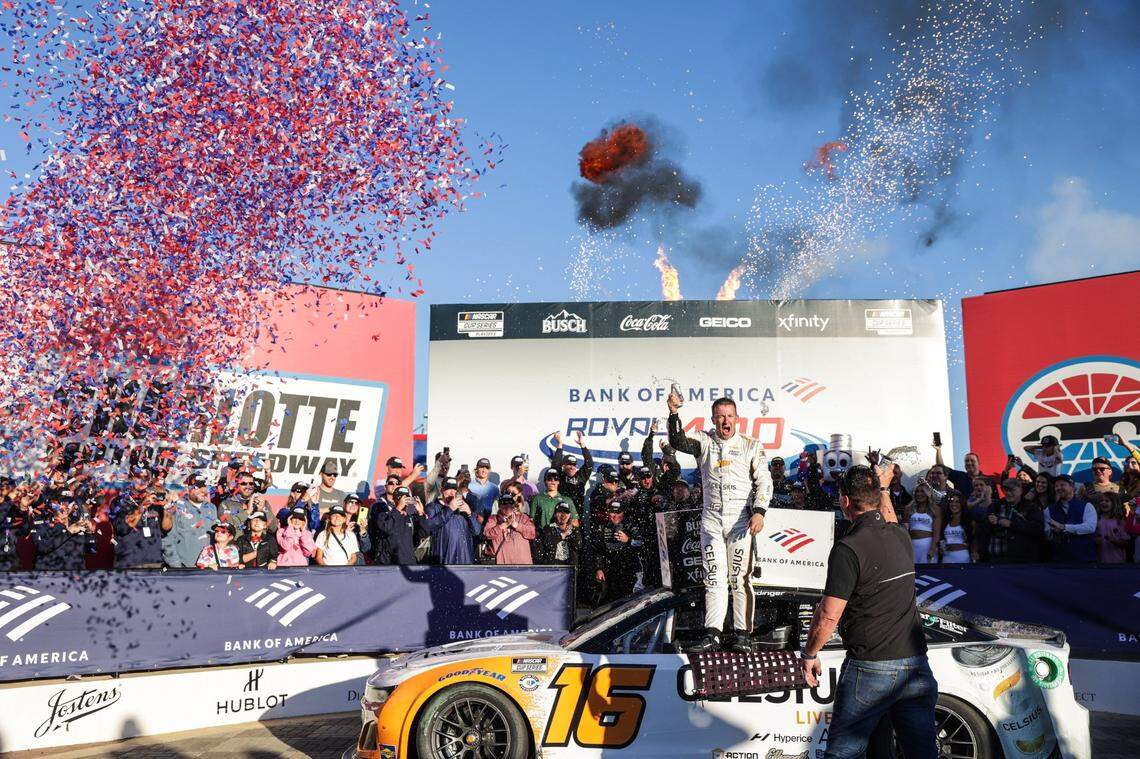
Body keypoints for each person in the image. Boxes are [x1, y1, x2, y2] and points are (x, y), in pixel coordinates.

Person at [800, 464, 936, 759]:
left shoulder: (848, 548)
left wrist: (810, 654)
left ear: (845, 501)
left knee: (843, 754)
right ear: (875, 497)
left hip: (871, 667)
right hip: (915, 665)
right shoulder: (899, 536)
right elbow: (888, 518)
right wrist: (884, 487)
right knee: (922, 754)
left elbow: (828, 616)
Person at [667, 393, 772, 653]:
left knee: (739, 579)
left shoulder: (751, 445)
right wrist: (673, 413)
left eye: (729, 416)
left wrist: (759, 511)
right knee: (713, 578)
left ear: (737, 419)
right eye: (720, 416)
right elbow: (677, 440)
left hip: (740, 522)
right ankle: (712, 633)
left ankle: (742, 634)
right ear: (713, 419)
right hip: (711, 521)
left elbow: (765, 482)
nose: (725, 421)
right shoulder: (704, 441)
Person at [590, 501, 644, 605]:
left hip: (630, 569)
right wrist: (599, 568)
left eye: (618, 512)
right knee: (610, 601)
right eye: (612, 512)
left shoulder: (631, 524)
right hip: (610, 570)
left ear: (623, 512)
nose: (615, 516)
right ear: (608, 512)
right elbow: (597, 550)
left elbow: (641, 543)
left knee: (631, 601)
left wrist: (628, 540)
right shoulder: (602, 527)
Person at [162, 471, 217, 569]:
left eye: (204, 486)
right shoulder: (176, 507)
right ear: (187, 488)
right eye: (197, 487)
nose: (202, 490)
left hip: (208, 567)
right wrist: (176, 565)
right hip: (185, 567)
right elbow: (168, 539)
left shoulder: (212, 508)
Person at [423, 477, 482, 565]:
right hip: (444, 560)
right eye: (448, 489)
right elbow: (428, 527)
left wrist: (469, 513)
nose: (452, 493)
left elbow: (477, 531)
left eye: (454, 489)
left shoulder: (463, 507)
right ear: (441, 490)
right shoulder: (432, 507)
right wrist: (450, 509)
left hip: (465, 560)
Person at [1045, 474, 1096, 562]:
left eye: (1062, 485)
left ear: (1072, 487)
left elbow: (1090, 527)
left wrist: (1064, 527)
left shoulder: (1087, 506)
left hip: (1084, 560)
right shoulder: (1048, 510)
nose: (1058, 488)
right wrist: (1052, 532)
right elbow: (1047, 534)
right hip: (1059, 561)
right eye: (1056, 486)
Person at [375, 487, 428, 565]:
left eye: (407, 497)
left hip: (409, 564)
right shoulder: (384, 515)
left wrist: (420, 513)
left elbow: (423, 534)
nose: (404, 500)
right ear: (394, 499)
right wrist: (398, 508)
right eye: (401, 498)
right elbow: (387, 528)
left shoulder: (411, 518)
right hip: (390, 564)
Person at [113, 493, 164, 569]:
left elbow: (167, 528)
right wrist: (142, 507)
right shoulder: (121, 501)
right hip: (130, 563)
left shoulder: (156, 502)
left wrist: (166, 508)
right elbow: (122, 529)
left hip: (155, 562)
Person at [483, 493, 536, 564]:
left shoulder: (523, 517)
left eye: (510, 503)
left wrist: (516, 525)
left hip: (523, 564)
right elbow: (487, 534)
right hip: (503, 563)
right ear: (499, 506)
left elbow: (532, 533)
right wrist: (502, 526)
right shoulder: (493, 519)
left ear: (514, 505)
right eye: (504, 503)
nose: (507, 506)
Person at [549, 431, 594, 510]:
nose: (572, 467)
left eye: (574, 465)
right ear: (563, 466)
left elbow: (589, 463)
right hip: (560, 514)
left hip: (576, 517)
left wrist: (582, 445)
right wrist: (560, 444)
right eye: (569, 464)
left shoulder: (581, 476)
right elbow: (556, 464)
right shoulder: (560, 476)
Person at [906, 480, 940, 565]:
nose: (919, 494)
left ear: (928, 493)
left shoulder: (935, 509)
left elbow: (936, 534)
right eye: (917, 491)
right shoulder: (909, 508)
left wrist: (932, 549)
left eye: (922, 491)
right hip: (912, 545)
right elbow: (905, 530)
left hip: (927, 545)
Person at [939, 492, 975, 563]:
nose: (954, 504)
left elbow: (974, 540)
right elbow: (941, 540)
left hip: (963, 557)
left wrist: (974, 552)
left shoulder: (969, 522)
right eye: (951, 501)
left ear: (962, 504)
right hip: (946, 558)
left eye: (957, 502)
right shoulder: (945, 521)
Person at [1093, 492, 1127, 564]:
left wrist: (1114, 541)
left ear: (1114, 503)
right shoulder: (1095, 520)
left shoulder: (1120, 521)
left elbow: (1126, 543)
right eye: (1101, 501)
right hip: (1099, 562)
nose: (1103, 503)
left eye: (1107, 501)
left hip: (1117, 561)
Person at [342, 493, 371, 563]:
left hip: (357, 563)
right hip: (341, 561)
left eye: (356, 503)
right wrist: (345, 532)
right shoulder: (336, 520)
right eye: (351, 502)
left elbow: (366, 548)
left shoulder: (360, 523)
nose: (353, 505)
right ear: (344, 503)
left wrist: (362, 530)